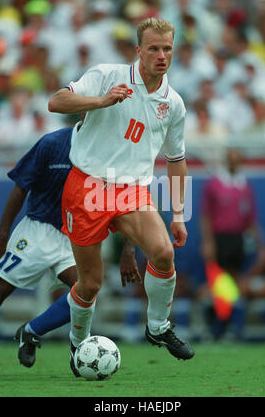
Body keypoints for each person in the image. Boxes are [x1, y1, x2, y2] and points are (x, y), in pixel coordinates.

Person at [48, 18, 195, 372]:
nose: (161, 56)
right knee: (90, 283)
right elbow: (56, 102)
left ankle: (158, 327)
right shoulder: (106, 74)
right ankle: (77, 344)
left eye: (167, 49)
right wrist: (99, 101)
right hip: (87, 186)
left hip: (131, 190)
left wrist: (178, 215)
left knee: (162, 252)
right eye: (154, 48)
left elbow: (176, 161)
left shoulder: (173, 104)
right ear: (138, 50)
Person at [0, 124, 139, 368]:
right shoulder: (51, 144)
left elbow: (129, 199)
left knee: (87, 289)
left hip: (76, 235)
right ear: (84, 112)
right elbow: (20, 188)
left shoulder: (112, 150)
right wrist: (2, 234)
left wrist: (129, 249)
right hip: (39, 229)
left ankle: (49, 338)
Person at [199, 147, 265, 339]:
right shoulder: (214, 184)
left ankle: (227, 328)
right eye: (230, 159)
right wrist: (208, 242)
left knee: (233, 283)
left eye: (236, 159)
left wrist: (261, 244)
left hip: (237, 239)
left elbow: (251, 218)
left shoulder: (244, 186)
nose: (233, 162)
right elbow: (206, 216)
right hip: (219, 238)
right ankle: (215, 328)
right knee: (218, 283)